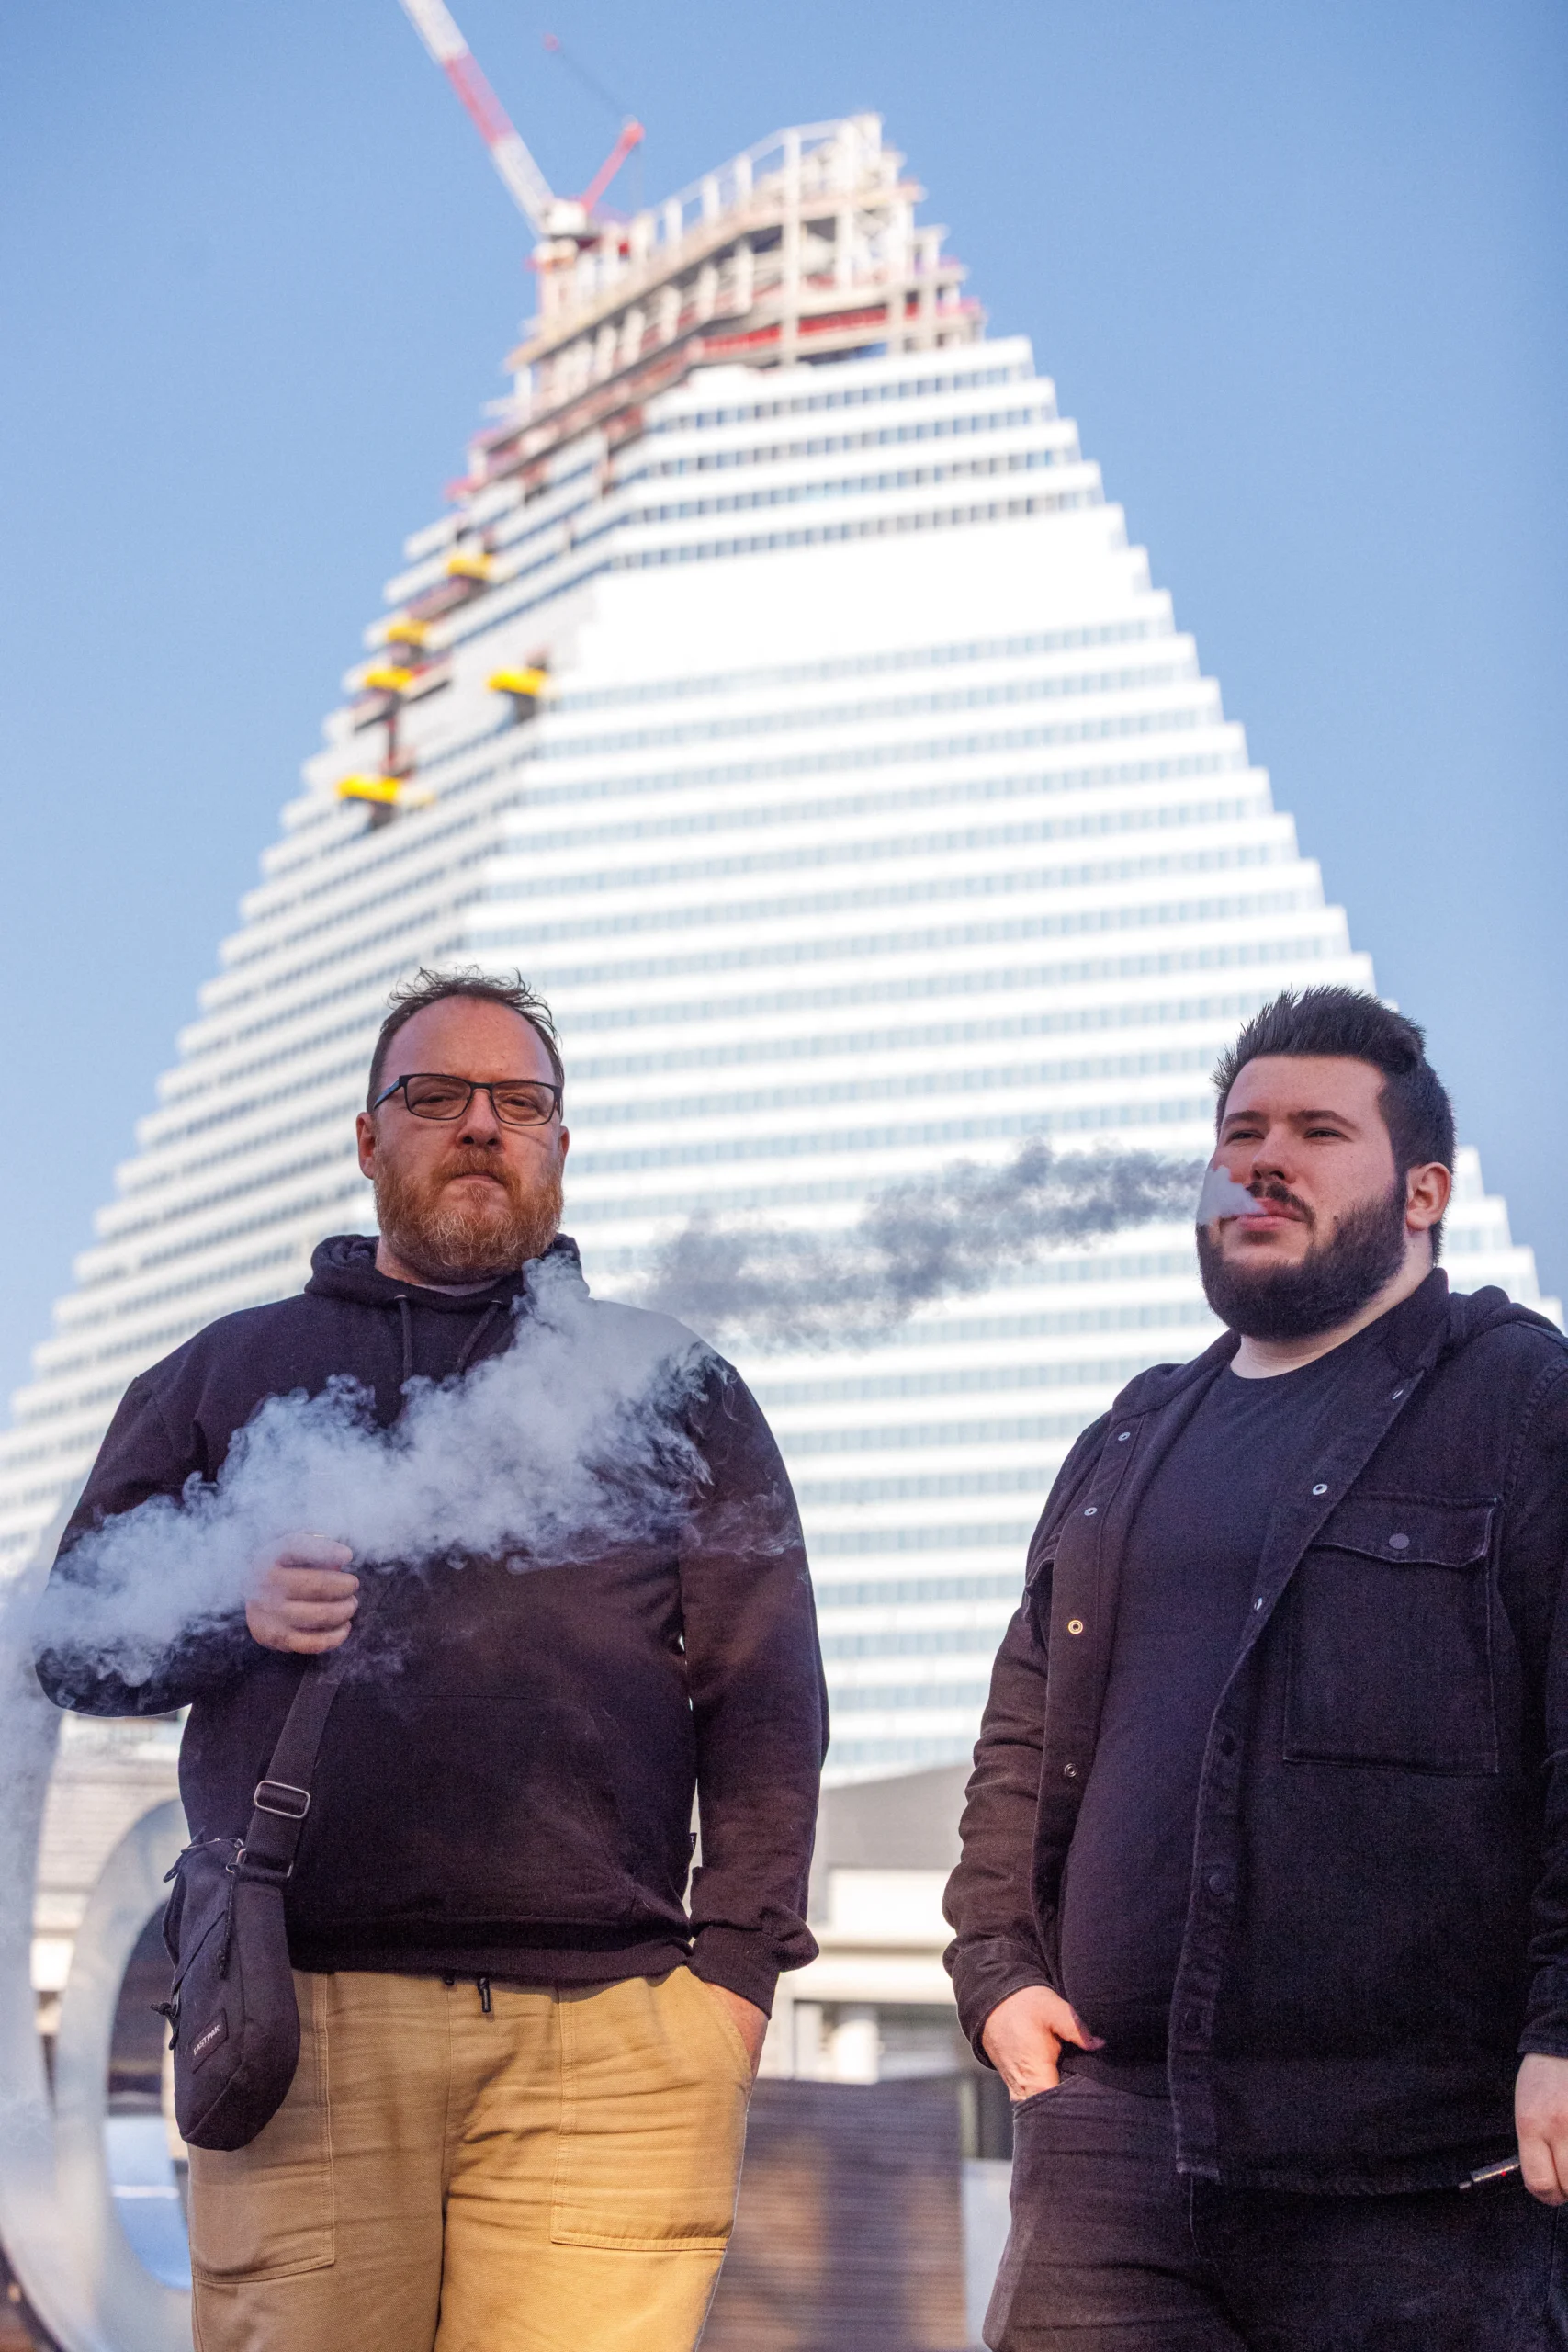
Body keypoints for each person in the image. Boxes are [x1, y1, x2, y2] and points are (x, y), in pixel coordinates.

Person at [36, 967, 828, 2352]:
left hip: (620, 2042)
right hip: (306, 2025)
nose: (480, 1125)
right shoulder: (225, 1373)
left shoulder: (672, 1385)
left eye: (519, 1102)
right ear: (367, 1138)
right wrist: (230, 1609)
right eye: (438, 1095)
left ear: (560, 1144)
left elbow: (765, 1698)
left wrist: (734, 1987)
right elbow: (76, 1645)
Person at [943, 987, 1568, 2351]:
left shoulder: (1524, 1402)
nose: (1263, 1160)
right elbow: (1022, 1731)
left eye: (1317, 1133)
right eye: (1241, 1133)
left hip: (1417, 2168)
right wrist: (995, 1969)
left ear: (1424, 1192)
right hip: (1111, 2139)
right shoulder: (1129, 1434)